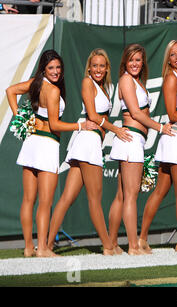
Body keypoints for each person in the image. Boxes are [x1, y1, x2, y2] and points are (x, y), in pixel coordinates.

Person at [6, 49, 97, 257]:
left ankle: (29, 247)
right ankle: (43, 248)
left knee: (29, 200)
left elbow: (10, 91)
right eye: (51, 68)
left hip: (31, 143)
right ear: (43, 69)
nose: (56, 71)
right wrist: (80, 126)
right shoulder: (53, 91)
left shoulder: (36, 83)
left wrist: (20, 117)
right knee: (45, 202)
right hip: (46, 145)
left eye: (58, 67)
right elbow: (55, 124)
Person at [46, 48, 132, 255]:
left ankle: (46, 246)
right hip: (88, 142)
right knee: (94, 198)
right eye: (94, 65)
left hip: (89, 143)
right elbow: (92, 115)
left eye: (102, 66)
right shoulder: (87, 83)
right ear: (89, 67)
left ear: (107, 67)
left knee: (67, 197)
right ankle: (108, 245)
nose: (98, 69)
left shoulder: (104, 87)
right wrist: (116, 129)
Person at [138, 40, 177, 254]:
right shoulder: (170, 79)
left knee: (160, 191)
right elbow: (173, 114)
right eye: (173, 54)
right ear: (168, 58)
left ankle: (142, 239)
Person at [108, 43, 173, 255]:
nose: (135, 64)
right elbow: (136, 113)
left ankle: (112, 244)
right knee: (130, 195)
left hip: (136, 140)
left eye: (138, 60)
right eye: (131, 60)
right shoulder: (126, 79)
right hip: (131, 139)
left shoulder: (137, 81)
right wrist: (161, 127)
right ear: (125, 62)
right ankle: (133, 245)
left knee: (122, 195)